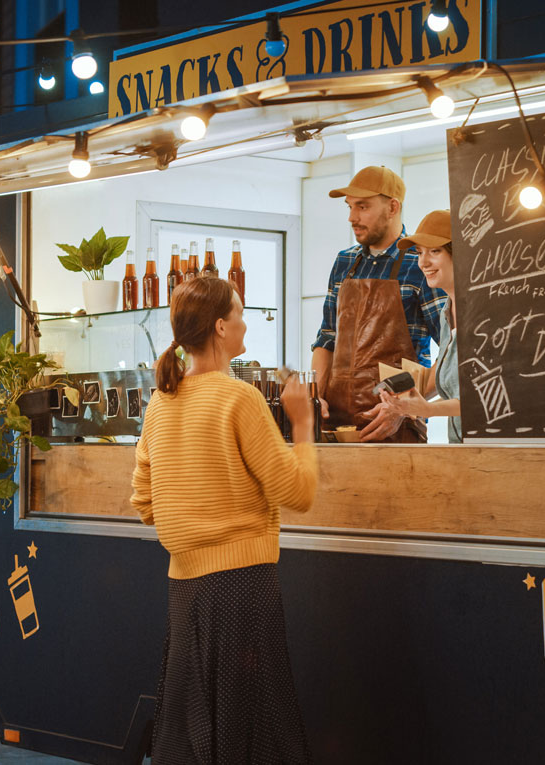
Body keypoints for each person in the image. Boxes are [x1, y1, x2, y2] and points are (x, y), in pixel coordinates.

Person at [131, 276, 318, 765]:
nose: (245, 321)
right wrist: (301, 425)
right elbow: (297, 492)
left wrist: (190, 519)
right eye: (239, 312)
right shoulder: (240, 398)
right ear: (220, 326)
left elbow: (144, 501)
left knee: (193, 723)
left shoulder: (159, 403)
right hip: (244, 584)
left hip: (185, 587)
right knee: (251, 723)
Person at [311, 165, 446, 442]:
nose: (352, 217)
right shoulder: (344, 262)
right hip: (336, 426)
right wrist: (314, 396)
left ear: (393, 207)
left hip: (395, 428)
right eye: (349, 207)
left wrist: (403, 407)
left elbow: (453, 354)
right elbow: (326, 340)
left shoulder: (421, 264)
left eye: (362, 207)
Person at [361, 210, 463, 443]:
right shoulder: (447, 312)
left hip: (496, 448)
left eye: (434, 251)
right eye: (419, 253)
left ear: (461, 253)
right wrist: (404, 404)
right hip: (462, 449)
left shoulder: (484, 315)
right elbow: (452, 386)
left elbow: (486, 400)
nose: (423, 263)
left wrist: (426, 409)